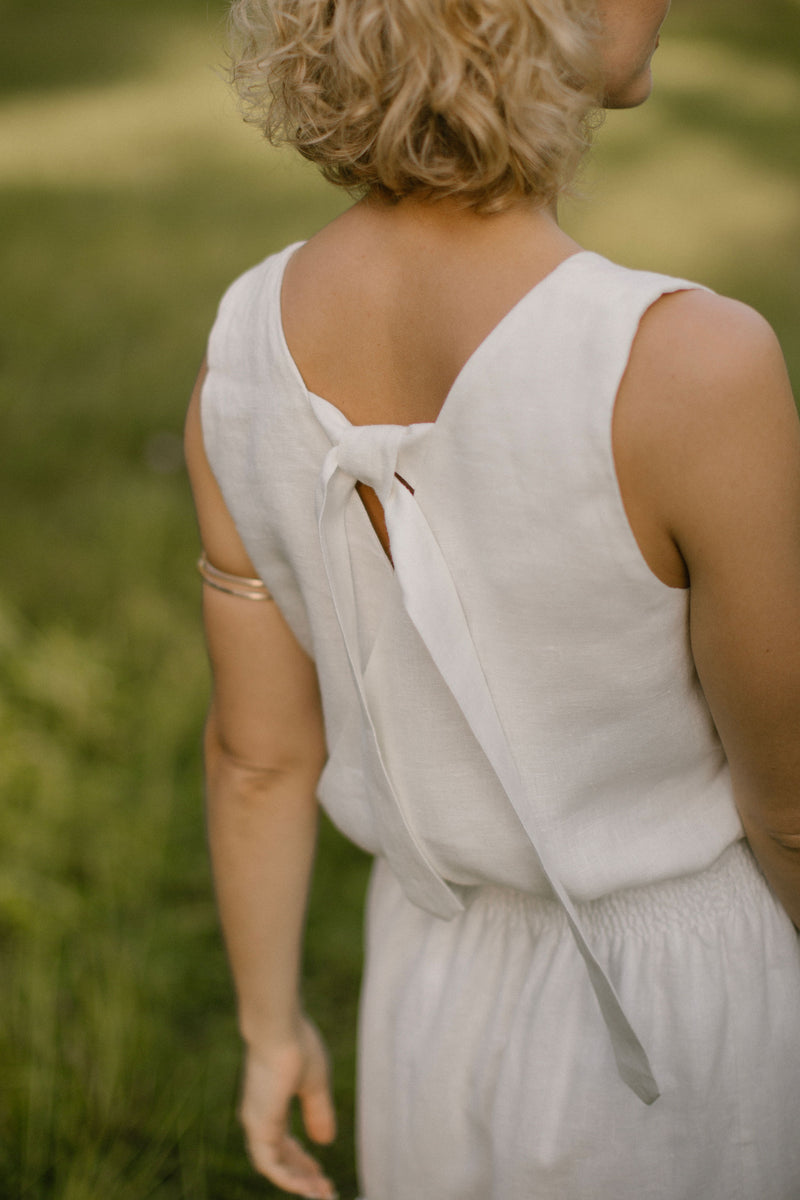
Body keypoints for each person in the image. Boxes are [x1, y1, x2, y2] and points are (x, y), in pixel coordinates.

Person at [184, 0, 800, 1195]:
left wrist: (272, 1028)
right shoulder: (687, 365)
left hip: (432, 986)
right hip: (686, 1003)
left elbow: (258, 759)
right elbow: (785, 805)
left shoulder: (239, 350)